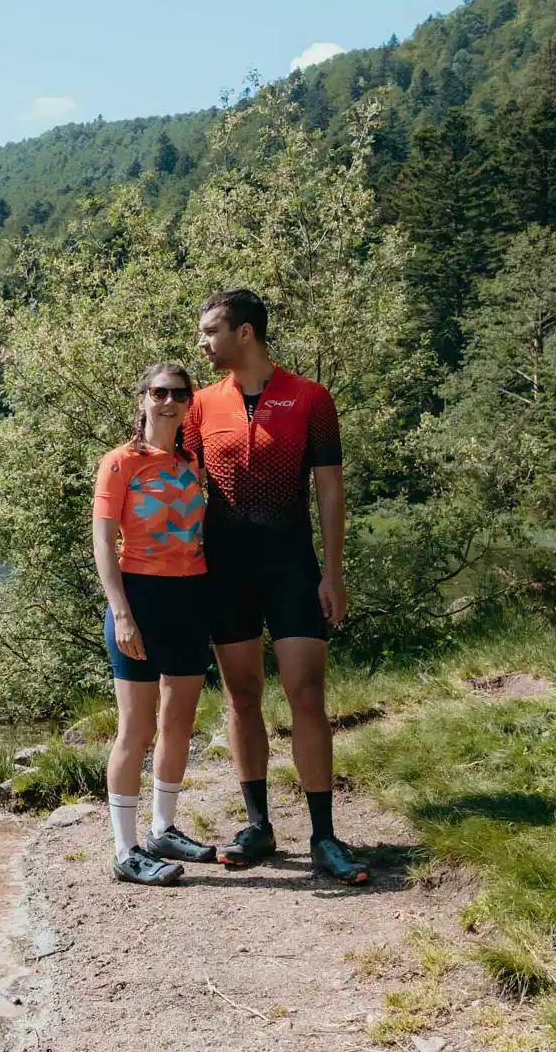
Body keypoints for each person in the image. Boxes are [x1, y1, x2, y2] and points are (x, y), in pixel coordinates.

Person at [185, 289, 369, 886]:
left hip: (291, 563)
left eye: (211, 330)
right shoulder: (200, 405)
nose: (203, 342)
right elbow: (179, 485)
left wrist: (333, 573)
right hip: (224, 568)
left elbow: (330, 492)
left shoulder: (311, 398)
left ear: (245, 334)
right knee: (241, 696)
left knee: (305, 693)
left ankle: (323, 836)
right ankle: (259, 825)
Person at [92, 362, 219, 886]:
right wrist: (121, 612)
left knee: (179, 723)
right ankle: (125, 850)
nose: (169, 401)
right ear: (143, 398)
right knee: (136, 728)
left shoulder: (195, 464)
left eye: (179, 394)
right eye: (159, 392)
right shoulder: (120, 463)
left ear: (189, 403)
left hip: (190, 595)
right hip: (139, 597)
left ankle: (162, 829)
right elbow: (103, 542)